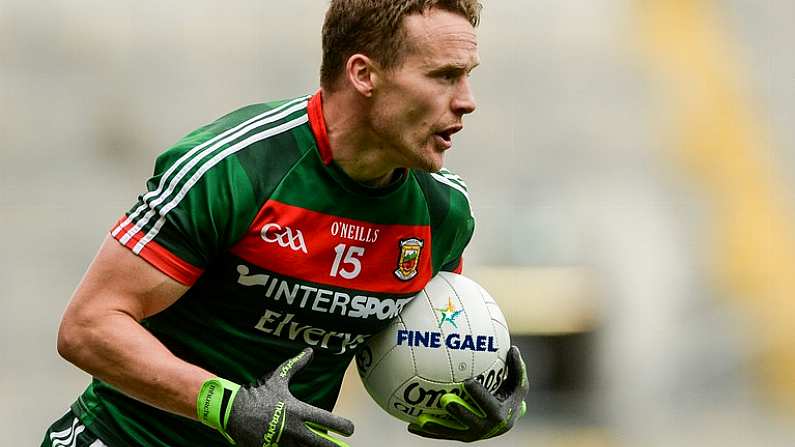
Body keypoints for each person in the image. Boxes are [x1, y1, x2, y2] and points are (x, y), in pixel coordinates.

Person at [43, 1, 529, 446]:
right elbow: (87, 328)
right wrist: (229, 407)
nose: (467, 101)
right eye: (443, 76)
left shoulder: (443, 211)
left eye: (467, 76)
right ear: (364, 74)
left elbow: (410, 344)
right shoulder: (235, 168)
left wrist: (471, 387)